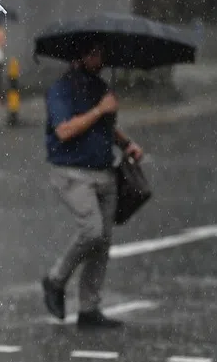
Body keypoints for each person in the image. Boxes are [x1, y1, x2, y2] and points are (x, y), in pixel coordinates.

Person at [41, 41, 143, 328]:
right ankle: (55, 280)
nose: (100, 58)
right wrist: (100, 109)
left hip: (104, 171)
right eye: (94, 52)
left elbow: (106, 125)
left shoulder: (99, 87)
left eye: (101, 52)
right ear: (80, 55)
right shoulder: (61, 89)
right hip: (72, 172)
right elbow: (64, 130)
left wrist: (126, 143)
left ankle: (89, 308)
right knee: (92, 231)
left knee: (103, 242)